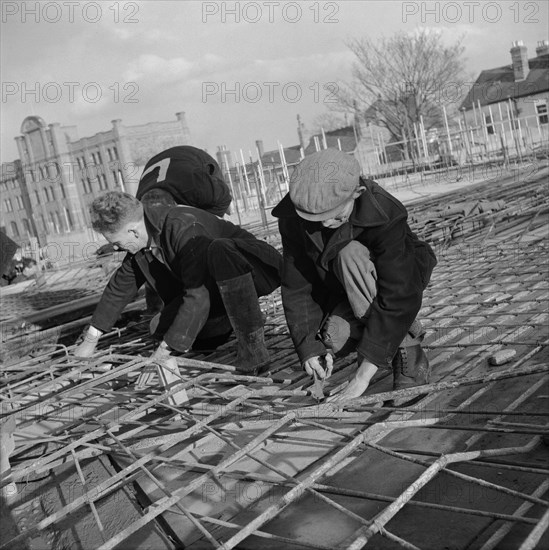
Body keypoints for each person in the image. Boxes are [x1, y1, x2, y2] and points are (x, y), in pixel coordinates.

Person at [272, 149, 437, 401]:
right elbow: (297, 286)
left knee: (348, 253)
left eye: (334, 215)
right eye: (318, 219)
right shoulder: (295, 216)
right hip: (342, 290)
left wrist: (362, 377)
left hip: (397, 283)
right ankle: (378, 341)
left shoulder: (384, 212)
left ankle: (408, 349)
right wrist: (309, 348)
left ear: (356, 194)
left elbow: (399, 292)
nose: (326, 224)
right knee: (334, 337)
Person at [75, 191, 282, 375]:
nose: (117, 248)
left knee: (221, 251)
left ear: (133, 232)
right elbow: (118, 289)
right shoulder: (140, 246)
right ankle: (230, 318)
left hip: (254, 269)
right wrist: (90, 342)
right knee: (159, 327)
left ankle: (253, 347)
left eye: (116, 243)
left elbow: (198, 294)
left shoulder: (181, 226)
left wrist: (163, 352)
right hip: (213, 288)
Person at [136, 146, 233, 313]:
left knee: (207, 246)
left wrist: (211, 220)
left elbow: (224, 196)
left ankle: (219, 297)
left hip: (197, 163)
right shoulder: (138, 213)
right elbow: (144, 263)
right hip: (164, 172)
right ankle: (161, 305)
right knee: (159, 254)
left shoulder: (198, 189)